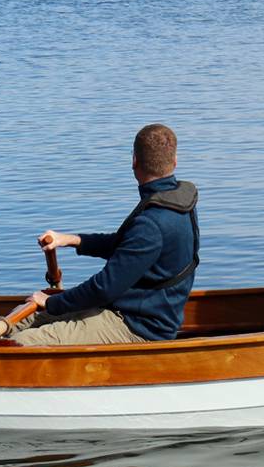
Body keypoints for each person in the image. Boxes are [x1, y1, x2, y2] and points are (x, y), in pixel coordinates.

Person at [12, 123, 200, 346]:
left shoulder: (151, 223)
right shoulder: (179, 201)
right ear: (175, 161)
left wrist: (53, 303)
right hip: (128, 309)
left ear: (134, 162)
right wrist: (73, 240)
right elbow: (127, 247)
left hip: (137, 326)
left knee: (22, 342)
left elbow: (104, 287)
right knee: (23, 318)